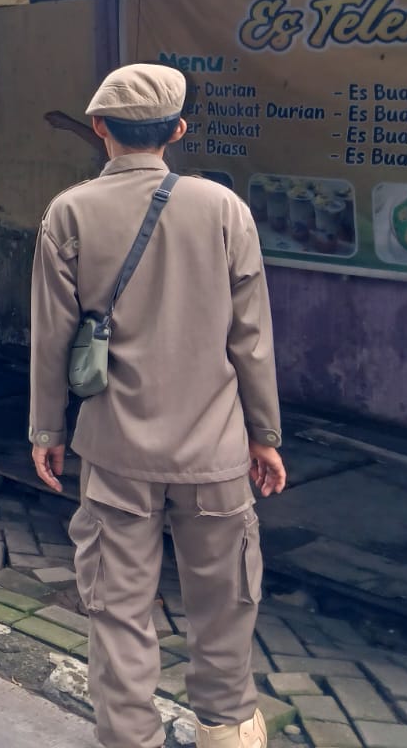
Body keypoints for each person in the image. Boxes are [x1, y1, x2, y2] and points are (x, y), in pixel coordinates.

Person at [29, 64, 285, 748]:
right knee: (225, 606)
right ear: (177, 131)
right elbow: (251, 337)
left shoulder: (69, 212)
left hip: (113, 453)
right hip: (215, 451)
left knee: (116, 614)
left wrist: (48, 428)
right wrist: (265, 434)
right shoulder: (224, 209)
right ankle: (227, 731)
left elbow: (52, 337)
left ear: (101, 130)